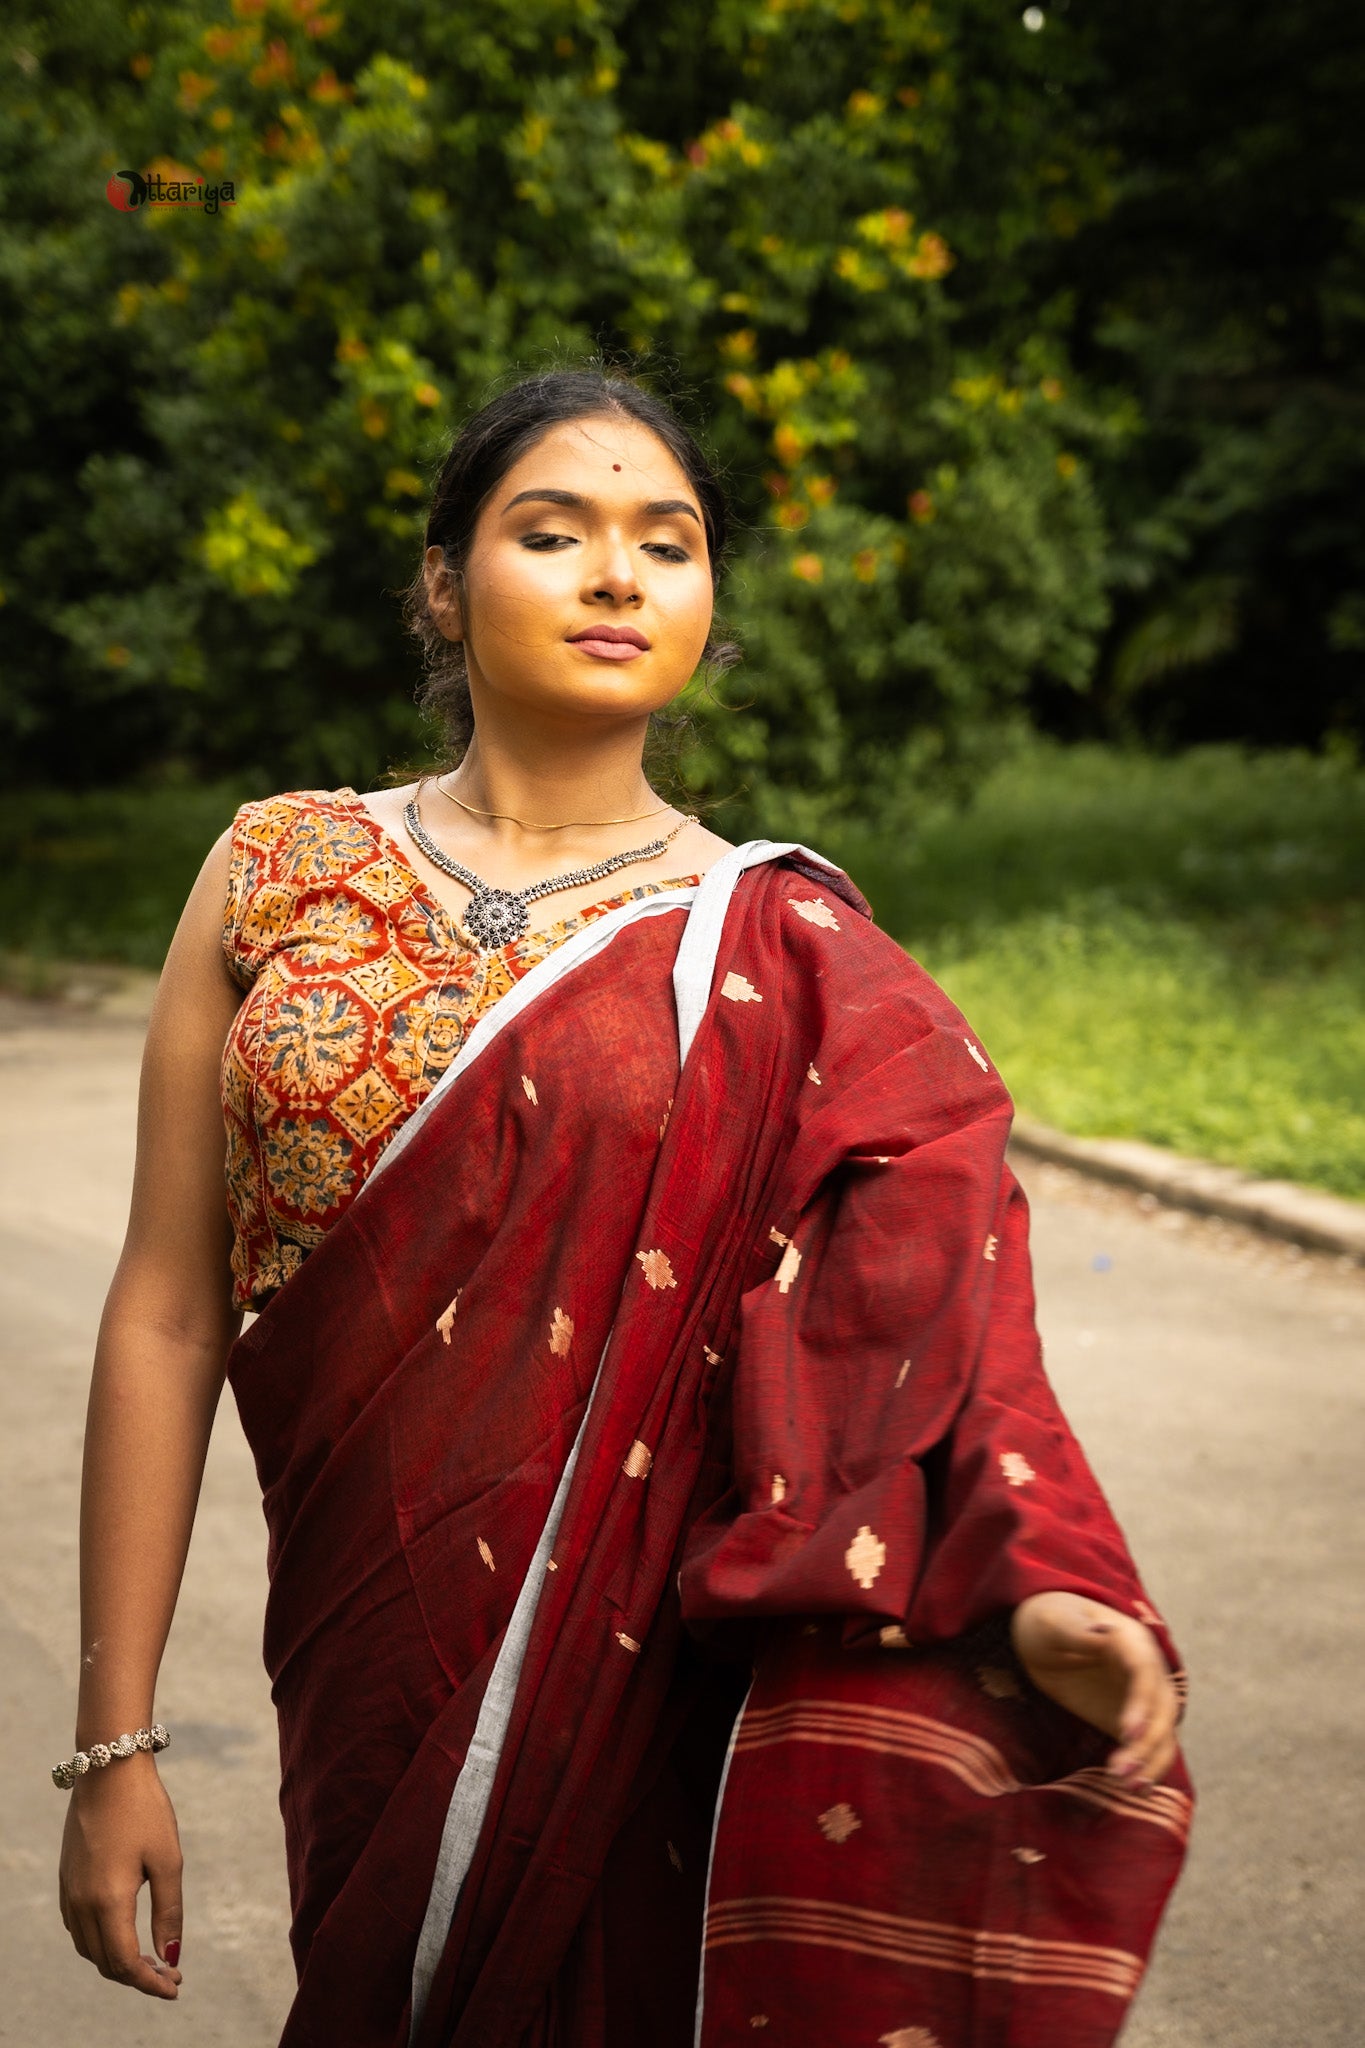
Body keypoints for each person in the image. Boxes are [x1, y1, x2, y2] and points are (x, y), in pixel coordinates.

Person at [57, 370, 1190, 2048]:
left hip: (643, 1688)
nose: (617, 576)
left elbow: (925, 1327)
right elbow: (167, 1307)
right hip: (369, 1653)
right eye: (553, 531)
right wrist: (113, 1744)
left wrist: (1031, 1583)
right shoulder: (277, 870)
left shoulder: (781, 945)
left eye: (666, 542)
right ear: (442, 582)